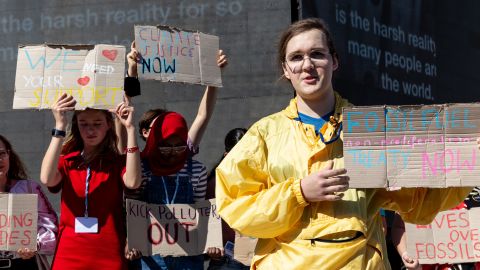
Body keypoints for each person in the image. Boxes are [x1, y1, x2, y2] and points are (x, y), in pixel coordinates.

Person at [215, 18, 475, 269]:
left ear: (334, 61)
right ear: (285, 69)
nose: (307, 65)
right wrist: (299, 193)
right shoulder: (264, 135)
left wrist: (468, 158)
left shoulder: (374, 131)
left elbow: (420, 202)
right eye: (296, 57)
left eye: (317, 54)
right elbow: (237, 208)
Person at [40, 94, 142, 270]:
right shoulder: (69, 161)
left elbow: (133, 182)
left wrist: (130, 128)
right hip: (69, 251)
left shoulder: (116, 163)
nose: (90, 130)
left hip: (108, 252)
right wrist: (59, 126)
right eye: (83, 124)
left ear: (108, 125)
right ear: (76, 126)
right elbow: (46, 178)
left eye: (97, 124)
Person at [0, 134, 58, 270]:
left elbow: (51, 227)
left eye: (2, 153)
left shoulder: (29, 188)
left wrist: (35, 245)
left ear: (9, 155)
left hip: (23, 264)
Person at [392, 189, 480, 270]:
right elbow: (399, 227)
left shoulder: (473, 185)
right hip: (423, 266)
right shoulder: (414, 190)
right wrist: (405, 255)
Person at [205, 128, 250, 270]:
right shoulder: (215, 183)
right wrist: (212, 247)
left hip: (259, 257)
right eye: (238, 154)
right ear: (226, 155)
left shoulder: (265, 178)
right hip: (227, 259)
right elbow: (208, 221)